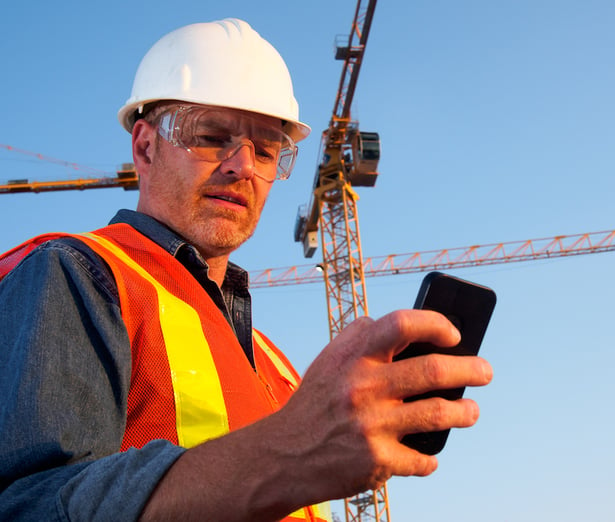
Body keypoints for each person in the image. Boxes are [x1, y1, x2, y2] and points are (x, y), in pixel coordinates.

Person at [0, 18, 493, 522]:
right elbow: (29, 506)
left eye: (266, 150)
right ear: (145, 147)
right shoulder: (79, 275)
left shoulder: (272, 365)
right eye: (211, 136)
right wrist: (288, 448)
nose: (243, 166)